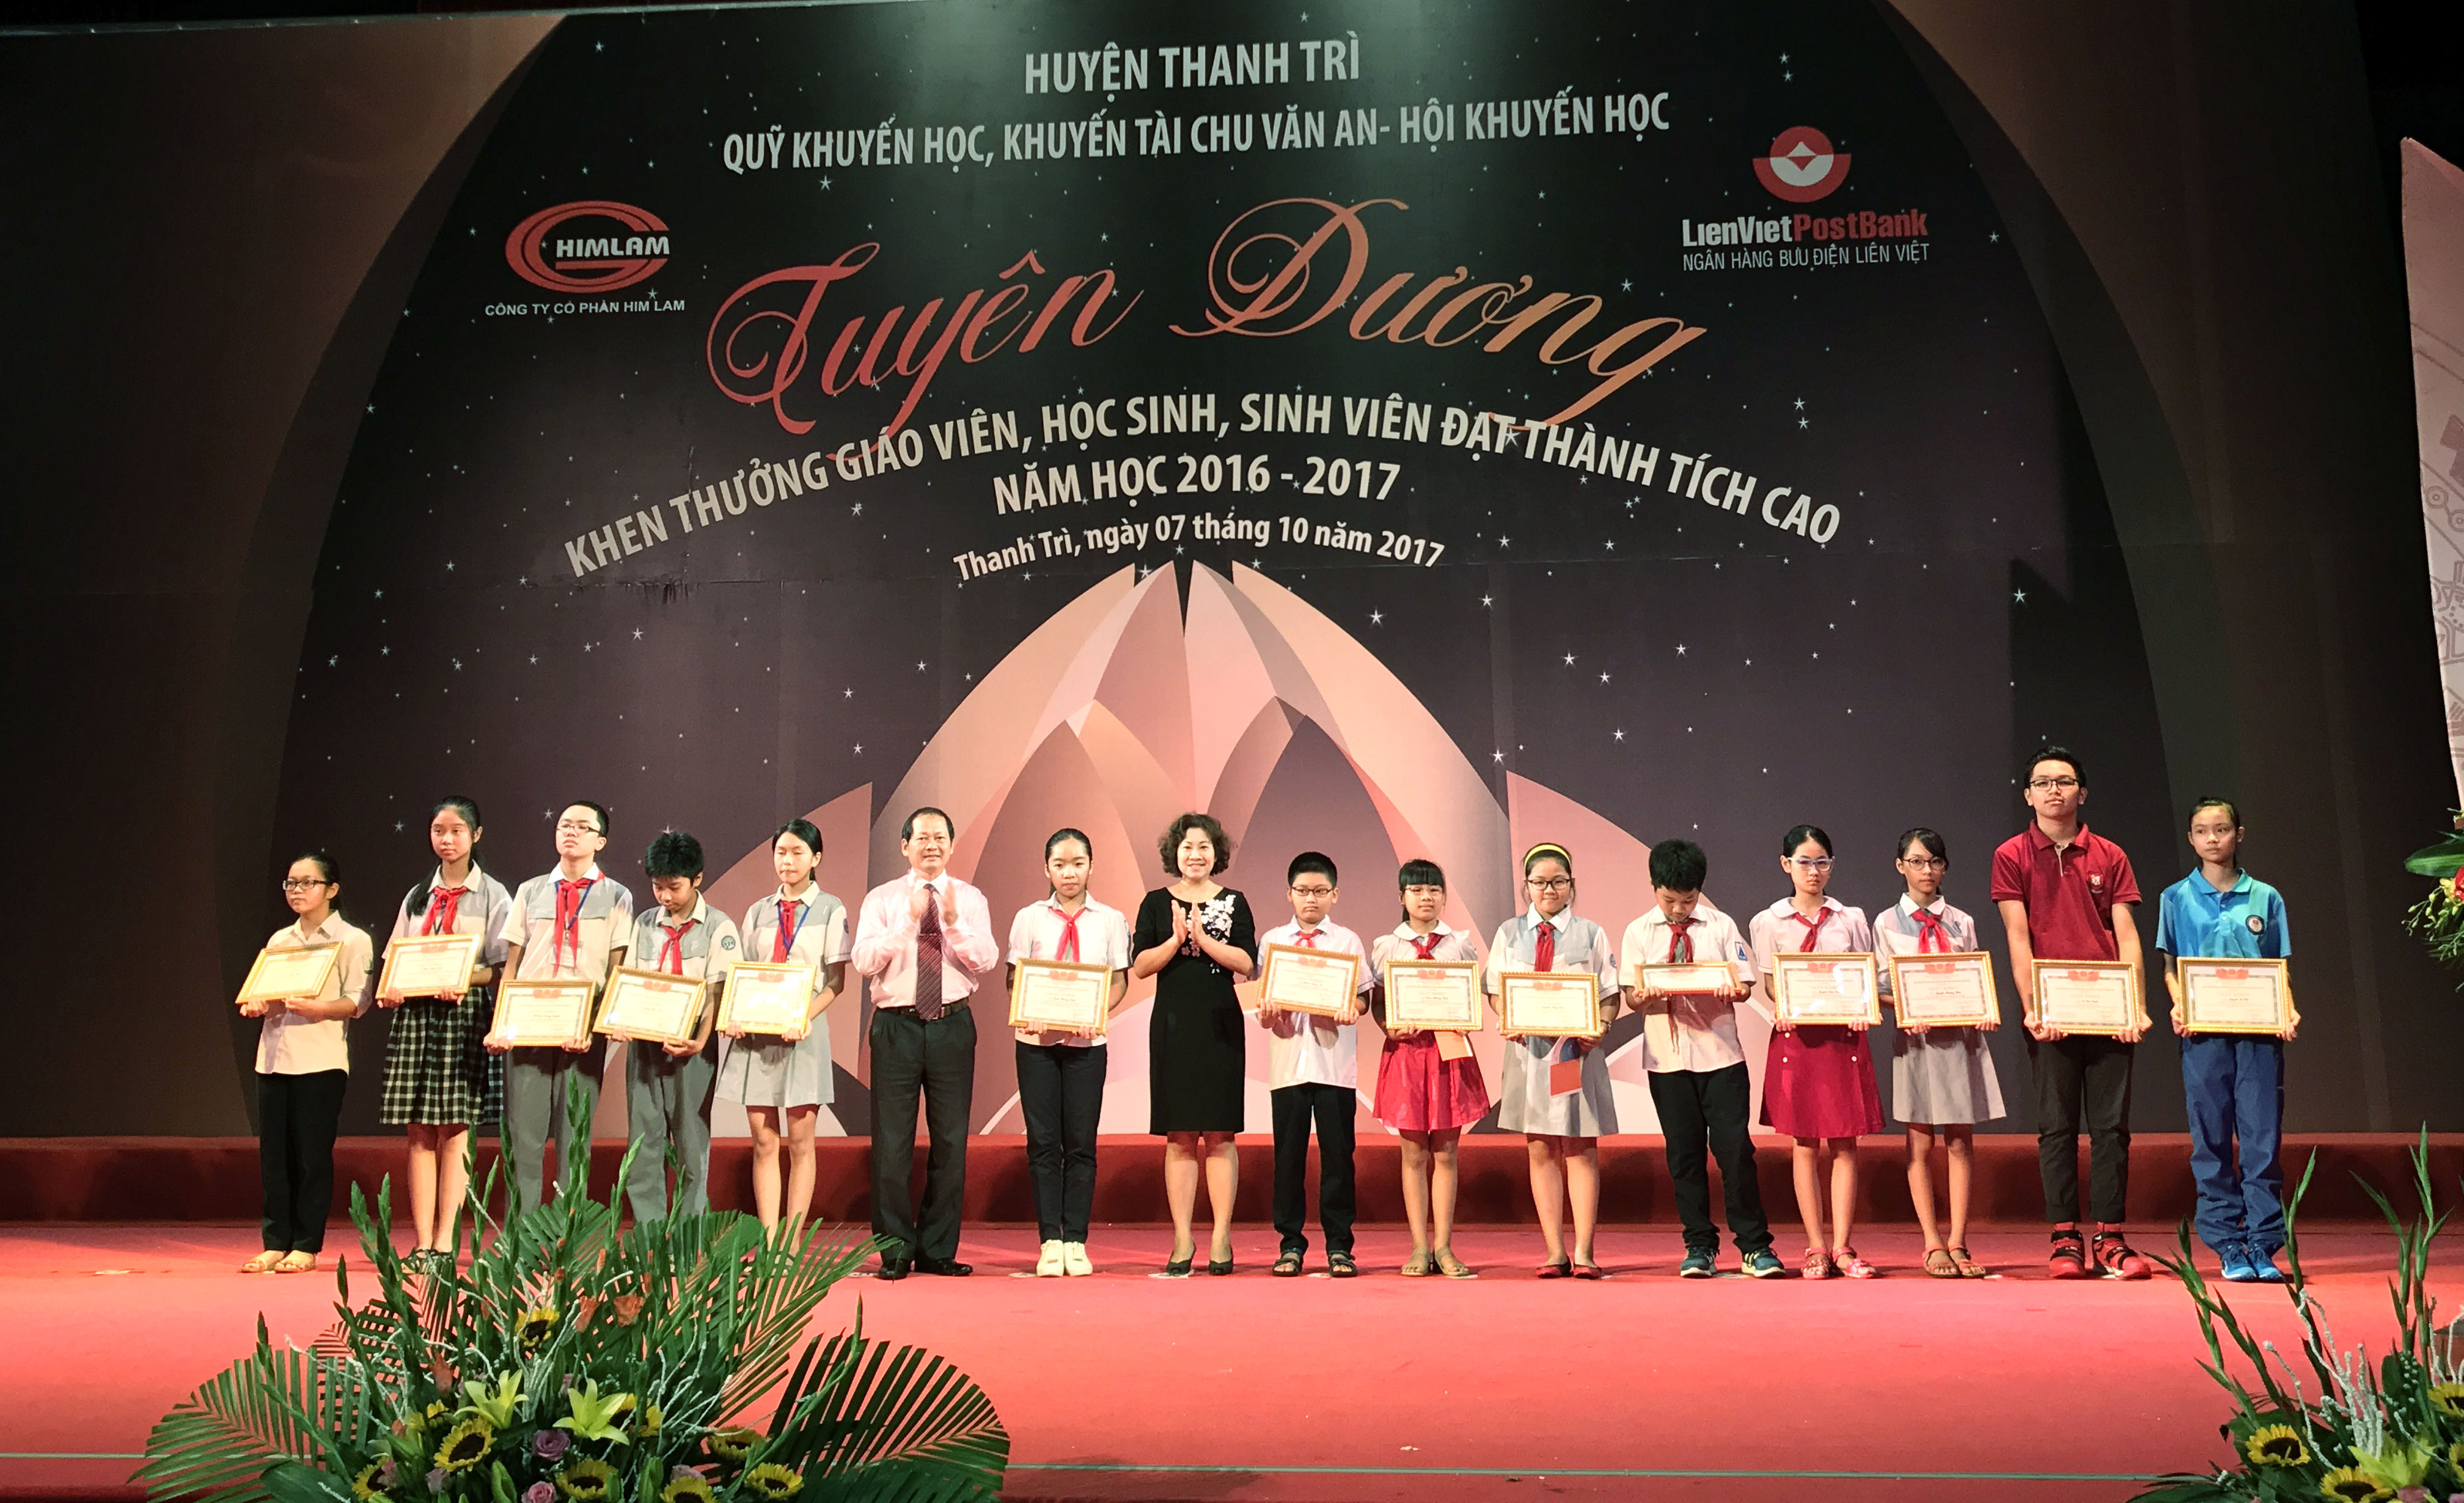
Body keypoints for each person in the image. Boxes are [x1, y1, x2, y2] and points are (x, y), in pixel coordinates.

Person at [1990, 744, 2154, 1280]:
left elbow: (2127, 934)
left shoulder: (2110, 854)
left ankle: (2110, 1236)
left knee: (2111, 1129)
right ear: (2028, 795)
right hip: (2051, 1011)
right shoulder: (2011, 854)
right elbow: (2018, 936)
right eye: (2042, 782)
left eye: (2063, 781)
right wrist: (2032, 1007)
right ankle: (2064, 1236)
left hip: (2109, 1010)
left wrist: (2135, 1006)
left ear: (2082, 792)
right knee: (2056, 1128)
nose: (2053, 790)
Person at [1619, 839, 1783, 1279]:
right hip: (1667, 1061)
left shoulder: (1720, 926)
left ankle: (1755, 1247)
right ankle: (1699, 1246)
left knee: (1736, 1152)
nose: (1678, 910)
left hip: (1721, 1057)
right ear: (1654, 887)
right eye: (1669, 899)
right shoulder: (1639, 932)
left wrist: (1735, 990)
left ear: (1700, 891)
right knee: (1684, 1157)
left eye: (1688, 900)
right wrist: (1643, 995)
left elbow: (1744, 984)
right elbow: (1631, 996)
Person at [851, 807, 998, 1278]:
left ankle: (938, 1249)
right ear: (905, 846)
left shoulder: (969, 898)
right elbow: (863, 961)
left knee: (951, 1141)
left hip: (951, 1024)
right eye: (922, 837)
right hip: (896, 1026)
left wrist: (952, 922)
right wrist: (906, 923)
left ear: (951, 846)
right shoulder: (882, 898)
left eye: (940, 838)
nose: (931, 845)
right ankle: (895, 1250)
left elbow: (986, 959)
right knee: (891, 1143)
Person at [2156, 798, 2295, 1283]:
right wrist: (2178, 1003)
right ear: (2191, 839)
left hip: (2258, 1034)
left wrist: (2287, 1008)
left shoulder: (2266, 896)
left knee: (2261, 1139)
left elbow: (2278, 967)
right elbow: (2171, 966)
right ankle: (2228, 1243)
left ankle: (2263, 1242)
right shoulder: (2175, 897)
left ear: (2239, 834)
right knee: (2210, 1138)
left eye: (2221, 829)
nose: (2212, 838)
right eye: (2202, 831)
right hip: (2204, 1035)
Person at [376, 797, 512, 1273]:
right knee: (418, 1132)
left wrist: (465, 979)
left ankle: (446, 1241)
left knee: (455, 1130)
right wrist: (390, 990)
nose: (446, 839)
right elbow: (396, 956)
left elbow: (501, 968)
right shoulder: (419, 895)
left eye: (456, 831)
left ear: (476, 835)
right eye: (438, 830)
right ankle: (421, 1244)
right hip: (417, 1016)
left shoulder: (494, 895)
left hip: (463, 1014)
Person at [490, 801, 635, 1215]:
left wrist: (600, 1024)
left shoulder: (617, 895)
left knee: (575, 1137)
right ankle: (522, 1236)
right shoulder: (531, 890)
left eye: (582, 827)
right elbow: (512, 963)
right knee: (525, 1138)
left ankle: (567, 1236)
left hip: (582, 1026)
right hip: (529, 1024)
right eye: (564, 825)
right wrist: (501, 1022)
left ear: (600, 841)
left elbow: (618, 968)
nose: (571, 832)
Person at [1751, 825, 1883, 1279]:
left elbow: (1863, 976)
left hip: (1843, 1037)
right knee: (1804, 1143)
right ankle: (1815, 1247)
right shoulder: (1768, 921)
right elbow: (1772, 984)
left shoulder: (1851, 918)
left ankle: (1843, 1246)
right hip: (1798, 1039)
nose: (1814, 871)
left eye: (1822, 862)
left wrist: (1862, 1007)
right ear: (1785, 864)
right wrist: (1784, 1006)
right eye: (1804, 862)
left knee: (1845, 1142)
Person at [1486, 842, 1622, 1279]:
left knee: (1580, 1145)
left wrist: (1600, 1026)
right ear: (1526, 886)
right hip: (1529, 1055)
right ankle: (1554, 1251)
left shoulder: (1591, 933)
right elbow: (1495, 990)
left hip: (1573, 1054)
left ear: (1571, 885)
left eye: (1558, 882)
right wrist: (1506, 1016)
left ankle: (1584, 1252)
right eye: (1540, 882)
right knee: (1540, 1145)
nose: (1549, 890)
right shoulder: (1509, 933)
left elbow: (1610, 993)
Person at [1874, 828, 2004, 1279]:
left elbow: (1974, 979)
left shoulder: (1961, 921)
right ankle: (1932, 1243)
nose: (1926, 870)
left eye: (1934, 862)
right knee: (1919, 1141)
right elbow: (1880, 988)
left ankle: (1959, 1241)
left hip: (1960, 1039)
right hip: (1917, 1041)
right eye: (1916, 861)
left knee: (1960, 1141)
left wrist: (1983, 1009)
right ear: (1900, 866)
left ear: (1945, 868)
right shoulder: (1885, 924)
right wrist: (1904, 1010)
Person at [1132, 812, 1257, 1278]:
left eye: (1204, 847)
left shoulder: (1235, 901)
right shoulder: (1155, 903)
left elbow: (1247, 963)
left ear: (1216, 853)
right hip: (1173, 1026)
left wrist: (1204, 940)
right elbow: (1141, 966)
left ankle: (1222, 1235)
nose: (1196, 855)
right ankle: (1183, 1236)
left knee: (1221, 1135)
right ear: (1175, 854)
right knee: (1180, 1136)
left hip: (1220, 1024)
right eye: (1187, 847)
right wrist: (1176, 940)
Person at [240, 852, 375, 1274]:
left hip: (320, 1060)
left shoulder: (353, 940)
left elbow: (358, 1002)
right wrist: (257, 1003)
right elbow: (261, 995)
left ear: (332, 889)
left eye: (307, 883)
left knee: (311, 1157)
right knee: (274, 1157)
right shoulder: (281, 940)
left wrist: (319, 1009)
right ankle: (274, 1242)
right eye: (291, 883)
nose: (296, 891)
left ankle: (306, 1244)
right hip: (273, 1059)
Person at [1008, 828, 1131, 1277]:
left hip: (1087, 1045)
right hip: (1036, 1045)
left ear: (1091, 866)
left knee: (1081, 1144)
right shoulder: (1028, 918)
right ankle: (1050, 1241)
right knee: (1043, 1143)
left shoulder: (1111, 920)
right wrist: (1028, 1013)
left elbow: (1119, 982)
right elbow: (1014, 979)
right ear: (1047, 869)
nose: (1069, 873)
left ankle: (1076, 1240)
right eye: (1060, 865)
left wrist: (1097, 1013)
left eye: (1078, 863)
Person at [719, 819, 849, 1232]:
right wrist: (734, 1015)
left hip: (802, 1035)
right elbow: (741, 976)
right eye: (781, 852)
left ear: (816, 858)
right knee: (763, 1141)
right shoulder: (758, 911)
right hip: (757, 1038)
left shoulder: (831, 909)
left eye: (797, 853)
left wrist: (802, 1017)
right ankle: (769, 1239)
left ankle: (791, 1244)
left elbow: (836, 983)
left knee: (800, 1142)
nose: (787, 861)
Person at [1366, 859, 1489, 1279]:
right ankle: (1420, 1246)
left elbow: (1470, 997)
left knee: (1447, 1152)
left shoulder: (1460, 944)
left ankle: (1445, 1247)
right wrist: (1389, 1027)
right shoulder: (1387, 946)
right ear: (1402, 897)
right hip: (1406, 1056)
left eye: (1434, 890)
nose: (1426, 898)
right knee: (1413, 1153)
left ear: (1445, 897)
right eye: (1417, 890)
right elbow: (1379, 1003)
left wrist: (1465, 1016)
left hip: (1448, 1053)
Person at [1256, 852, 1372, 1278]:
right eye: (1303, 891)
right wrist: (1268, 1011)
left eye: (1320, 891)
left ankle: (1340, 1246)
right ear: (1289, 893)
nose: (1311, 899)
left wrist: (1353, 1008)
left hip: (1334, 1065)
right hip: (1288, 1062)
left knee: (1338, 1157)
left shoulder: (1347, 942)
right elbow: (1263, 1004)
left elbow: (1363, 998)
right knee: (1287, 1158)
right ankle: (1290, 1244)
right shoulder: (1272, 942)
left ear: (1334, 895)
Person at [621, 830, 739, 1224]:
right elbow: (630, 982)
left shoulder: (718, 926)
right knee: (644, 1140)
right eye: (658, 887)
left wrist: (700, 1041)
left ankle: (689, 1235)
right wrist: (621, 1022)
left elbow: (717, 993)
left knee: (691, 1142)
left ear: (697, 879)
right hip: (645, 1044)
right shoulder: (644, 923)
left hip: (692, 1045)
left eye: (674, 887)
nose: (665, 897)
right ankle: (650, 1234)